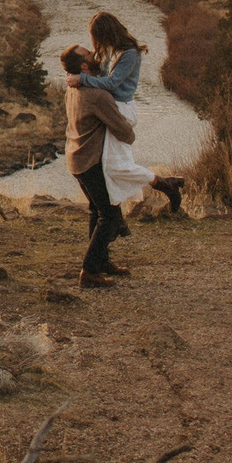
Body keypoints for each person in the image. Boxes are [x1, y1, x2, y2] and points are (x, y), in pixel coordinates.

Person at [76, 12, 188, 225]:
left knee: (115, 167)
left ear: (106, 33)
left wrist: (81, 78)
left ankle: (165, 185)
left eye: (97, 37)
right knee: (109, 166)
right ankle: (116, 215)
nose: (95, 43)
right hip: (110, 109)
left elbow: (112, 83)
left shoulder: (129, 54)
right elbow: (99, 75)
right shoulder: (110, 51)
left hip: (121, 111)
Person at [63, 42, 137, 287]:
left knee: (97, 211)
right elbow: (123, 130)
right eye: (89, 54)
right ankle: (89, 271)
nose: (95, 54)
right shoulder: (97, 96)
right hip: (91, 161)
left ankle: (102, 261)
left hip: (75, 158)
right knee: (110, 216)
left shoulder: (72, 88)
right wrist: (129, 136)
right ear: (84, 66)